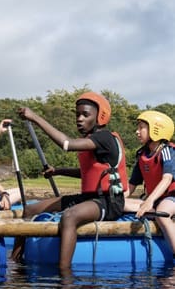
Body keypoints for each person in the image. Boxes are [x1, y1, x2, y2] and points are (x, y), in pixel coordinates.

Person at [11, 92, 128, 269]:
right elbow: (88, 174)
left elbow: (66, 144)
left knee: (69, 217)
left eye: (85, 115)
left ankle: (64, 275)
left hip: (109, 201)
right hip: (89, 199)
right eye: (77, 114)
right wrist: (58, 171)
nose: (79, 119)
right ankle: (15, 262)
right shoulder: (89, 140)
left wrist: (35, 117)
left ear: (100, 117)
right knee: (29, 209)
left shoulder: (104, 138)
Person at [124, 110, 175, 256]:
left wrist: (149, 201)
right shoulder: (142, 155)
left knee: (162, 214)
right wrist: (117, 199)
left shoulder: (167, 151)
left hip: (171, 197)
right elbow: (132, 185)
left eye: (141, 127)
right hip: (154, 201)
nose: (137, 131)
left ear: (156, 130)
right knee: (119, 204)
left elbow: (167, 179)